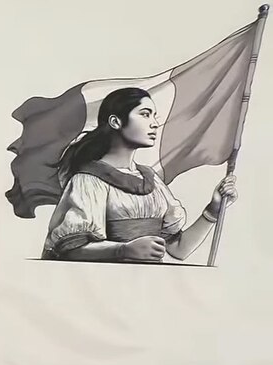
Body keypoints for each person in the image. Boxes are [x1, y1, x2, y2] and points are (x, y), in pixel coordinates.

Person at [42, 87, 238, 262]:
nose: (154, 124)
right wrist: (123, 250)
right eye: (145, 114)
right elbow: (70, 251)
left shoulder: (151, 179)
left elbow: (178, 250)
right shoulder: (88, 180)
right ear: (115, 121)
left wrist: (213, 210)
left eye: (154, 116)